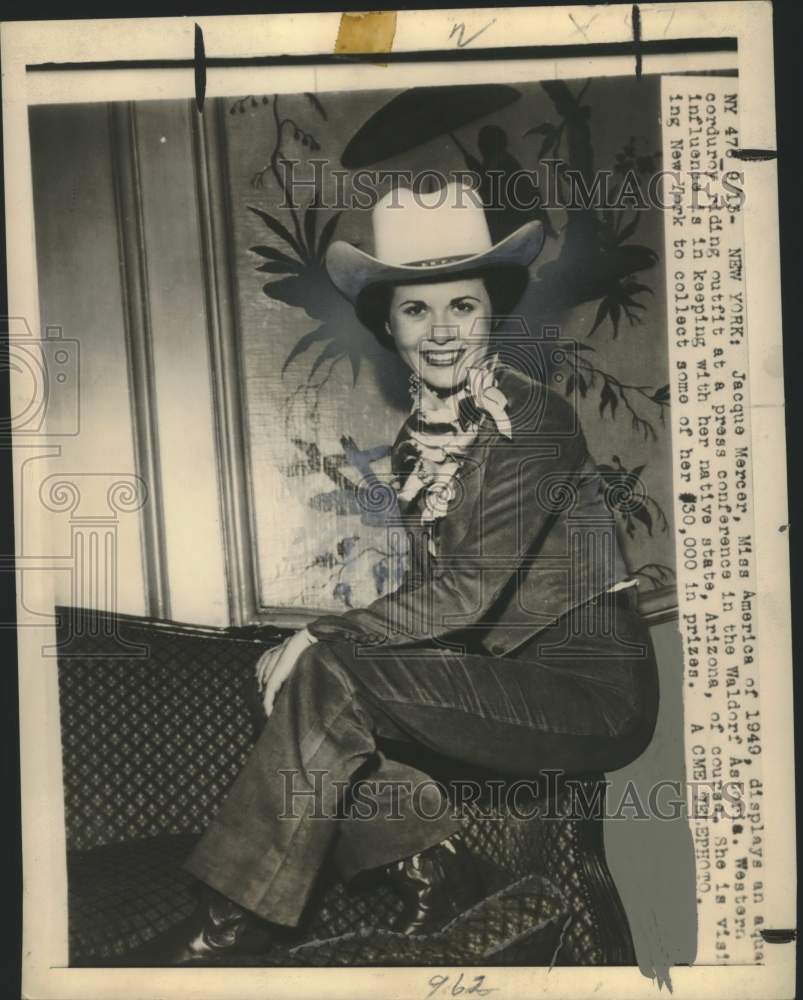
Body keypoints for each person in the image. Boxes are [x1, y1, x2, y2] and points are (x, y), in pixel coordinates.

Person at [124, 183, 659, 966]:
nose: (440, 333)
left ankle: (225, 929)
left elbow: (471, 590)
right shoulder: (419, 441)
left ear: (493, 313)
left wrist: (322, 631)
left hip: (590, 692)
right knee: (297, 672)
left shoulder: (535, 417)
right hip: (500, 682)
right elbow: (434, 601)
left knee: (324, 657)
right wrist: (306, 648)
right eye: (416, 310)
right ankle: (426, 869)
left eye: (462, 308)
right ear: (389, 324)